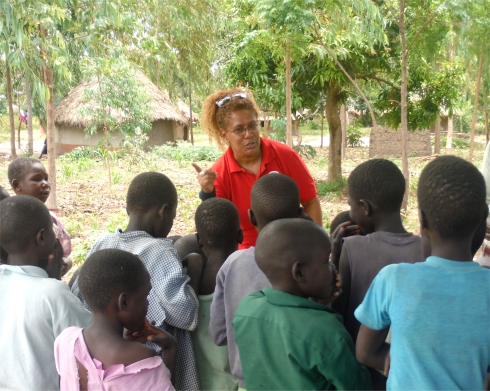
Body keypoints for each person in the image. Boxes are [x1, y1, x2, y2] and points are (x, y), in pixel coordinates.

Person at [355, 155, 490, 390]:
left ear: (422, 219)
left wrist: (400, 362)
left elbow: (365, 352)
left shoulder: (393, 279)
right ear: (482, 220)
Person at [70, 172, 203, 391]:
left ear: (127, 209)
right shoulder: (159, 251)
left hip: (100, 365)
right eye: (173, 216)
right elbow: (185, 315)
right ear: (163, 211)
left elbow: (80, 299)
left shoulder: (103, 244)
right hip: (152, 370)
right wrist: (195, 268)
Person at [233, 218, 371, 390]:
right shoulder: (326, 331)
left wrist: (316, 305)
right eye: (326, 260)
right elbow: (358, 386)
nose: (332, 268)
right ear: (299, 273)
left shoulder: (247, 307)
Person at [332, 159, 422, 389]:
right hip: (408, 368)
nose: (350, 211)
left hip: (361, 369)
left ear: (365, 207)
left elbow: (338, 311)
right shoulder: (424, 248)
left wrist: (335, 253)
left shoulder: (352, 248)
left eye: (351, 205)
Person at [192, 88, 321, 249]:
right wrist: (208, 193)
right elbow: (218, 227)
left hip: (292, 252)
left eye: (253, 125)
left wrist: (316, 249)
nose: (249, 134)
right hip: (247, 259)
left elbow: (311, 203)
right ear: (224, 134)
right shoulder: (220, 173)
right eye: (239, 129)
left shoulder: (286, 156)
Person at [209, 173, 304, 388]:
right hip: (300, 381)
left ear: (251, 218)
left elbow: (219, 334)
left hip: (249, 381)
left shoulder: (233, 263)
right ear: (301, 214)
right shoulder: (312, 268)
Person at [0, 195, 91, 390]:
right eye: (52, 229)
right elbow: (90, 340)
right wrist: (54, 279)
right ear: (41, 237)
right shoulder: (52, 292)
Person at [55, 249, 176, 391]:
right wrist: (170, 349)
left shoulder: (66, 340)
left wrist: (125, 343)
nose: (148, 303)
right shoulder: (142, 359)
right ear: (124, 302)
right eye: (145, 295)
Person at [192, 198, 242, 390]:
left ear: (199, 240)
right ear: (240, 235)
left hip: (199, 383)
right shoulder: (246, 281)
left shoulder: (187, 280)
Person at [8, 157, 73, 275]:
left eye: (46, 179)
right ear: (17, 185)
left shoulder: (51, 218)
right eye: (37, 179)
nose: (45, 184)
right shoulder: (7, 219)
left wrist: (64, 262)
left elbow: (62, 251)